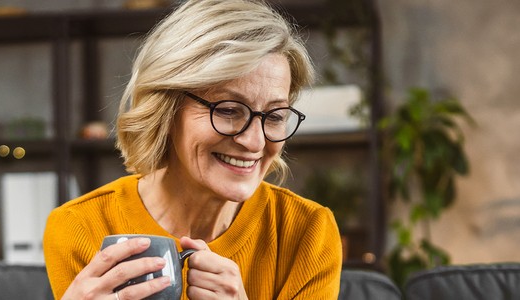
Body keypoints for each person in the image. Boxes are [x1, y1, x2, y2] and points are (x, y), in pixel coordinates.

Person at [43, 0, 343, 299]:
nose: (255, 142)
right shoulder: (79, 227)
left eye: (275, 116)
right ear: (167, 110)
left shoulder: (308, 232)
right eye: (227, 110)